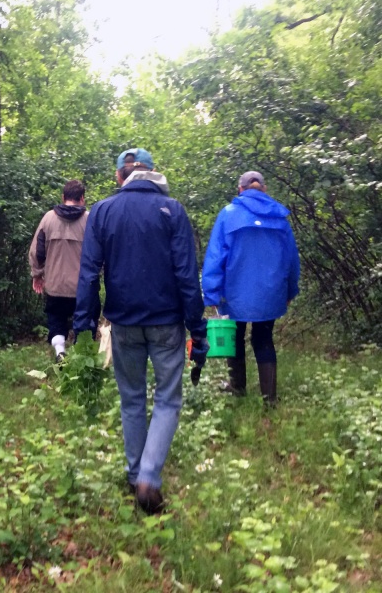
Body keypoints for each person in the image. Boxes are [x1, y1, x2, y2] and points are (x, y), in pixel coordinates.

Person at [74, 148, 208, 514]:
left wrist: (84, 325)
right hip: (167, 322)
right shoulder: (173, 211)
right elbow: (186, 275)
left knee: (131, 397)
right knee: (167, 398)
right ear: (152, 172)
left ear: (121, 176)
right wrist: (198, 329)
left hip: (124, 322)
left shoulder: (102, 211)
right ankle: (148, 478)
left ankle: (136, 476)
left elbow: (88, 274)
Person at [202, 171, 300, 408]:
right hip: (271, 292)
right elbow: (291, 259)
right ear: (264, 189)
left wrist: (212, 293)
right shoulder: (279, 217)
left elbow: (216, 257)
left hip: (234, 292)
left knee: (234, 338)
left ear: (240, 189)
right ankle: (269, 399)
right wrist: (290, 290)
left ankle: (237, 387)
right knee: (264, 339)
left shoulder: (228, 215)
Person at [29, 179, 96, 361]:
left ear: (63, 197)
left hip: (55, 285)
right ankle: (81, 361)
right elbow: (99, 252)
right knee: (84, 324)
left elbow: (37, 251)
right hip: (82, 287)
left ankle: (60, 351)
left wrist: (37, 274)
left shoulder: (48, 219)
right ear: (82, 198)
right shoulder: (90, 221)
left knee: (56, 320)